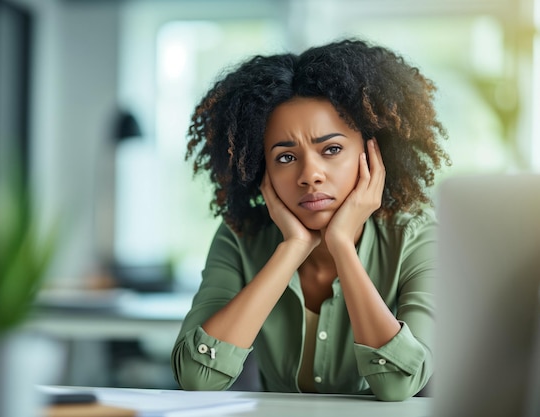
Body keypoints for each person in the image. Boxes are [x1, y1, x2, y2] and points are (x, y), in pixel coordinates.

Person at [171, 38, 450, 401]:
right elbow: (197, 377)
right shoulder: (240, 237)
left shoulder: (414, 236)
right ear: (261, 169)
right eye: (285, 157)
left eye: (331, 150)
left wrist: (342, 247)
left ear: (373, 155)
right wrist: (293, 248)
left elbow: (398, 384)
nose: (310, 175)